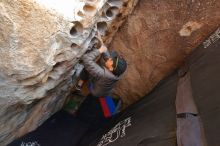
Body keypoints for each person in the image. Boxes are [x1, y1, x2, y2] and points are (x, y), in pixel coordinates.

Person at [75, 41, 127, 125]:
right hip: (106, 91)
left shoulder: (102, 74)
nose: (110, 58)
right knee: (108, 109)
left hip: (95, 91)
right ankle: (111, 115)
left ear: (110, 69)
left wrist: (99, 50)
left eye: (111, 60)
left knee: (88, 68)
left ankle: (79, 85)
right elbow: (109, 61)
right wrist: (103, 48)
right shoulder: (119, 72)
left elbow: (86, 59)